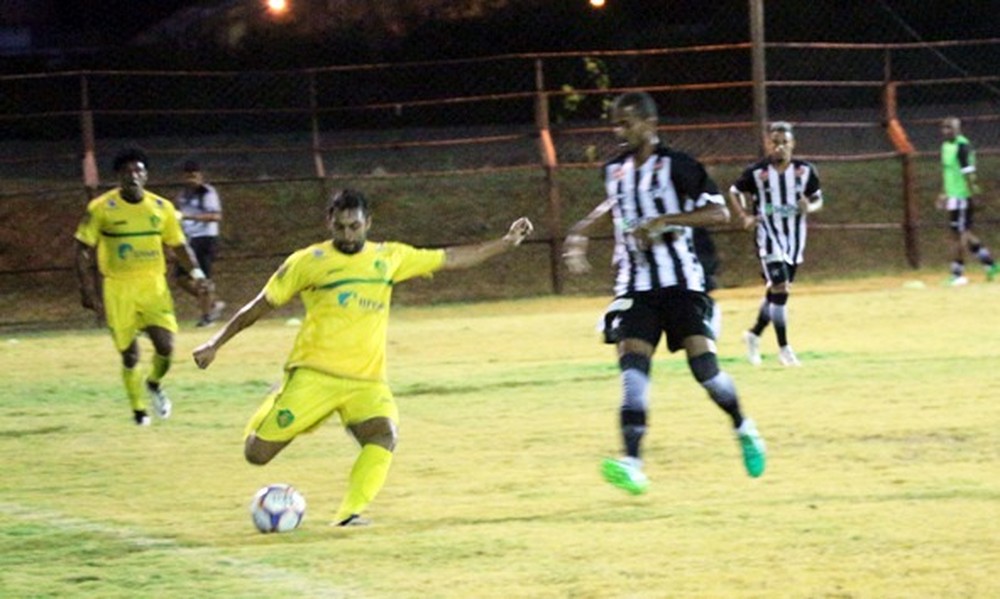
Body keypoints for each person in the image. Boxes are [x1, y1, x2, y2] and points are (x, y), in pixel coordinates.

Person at [192, 189, 533, 526]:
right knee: (257, 455)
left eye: (354, 227)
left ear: (368, 223)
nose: (347, 234)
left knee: (384, 435)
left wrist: (506, 241)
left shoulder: (389, 257)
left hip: (366, 381)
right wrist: (215, 343)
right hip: (315, 375)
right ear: (330, 223)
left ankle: (348, 514)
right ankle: (274, 399)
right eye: (340, 227)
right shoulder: (307, 261)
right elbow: (260, 305)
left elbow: (452, 258)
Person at [562, 91, 766, 495]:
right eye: (615, 124)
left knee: (704, 372)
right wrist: (581, 231)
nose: (619, 131)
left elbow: (718, 211)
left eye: (626, 124)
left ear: (650, 125)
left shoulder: (680, 167)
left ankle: (744, 428)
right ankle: (633, 464)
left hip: (683, 285)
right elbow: (614, 205)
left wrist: (666, 221)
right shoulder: (614, 169)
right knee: (633, 374)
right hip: (635, 288)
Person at [75, 147, 211, 426]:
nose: (133, 176)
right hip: (118, 288)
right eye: (127, 172)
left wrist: (197, 273)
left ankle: (153, 383)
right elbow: (82, 249)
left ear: (146, 175)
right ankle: (138, 411)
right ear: (118, 177)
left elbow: (179, 245)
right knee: (130, 353)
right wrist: (86, 289)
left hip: (153, 286)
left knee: (166, 346)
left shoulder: (161, 209)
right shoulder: (101, 208)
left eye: (138, 171)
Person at [728, 121, 823, 367]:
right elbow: (734, 191)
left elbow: (817, 199)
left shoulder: (805, 170)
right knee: (780, 288)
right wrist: (745, 216)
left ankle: (753, 335)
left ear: (793, 144)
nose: (779, 148)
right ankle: (784, 349)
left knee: (776, 293)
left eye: (784, 143)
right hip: (768, 236)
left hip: (794, 240)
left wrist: (809, 207)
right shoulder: (757, 172)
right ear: (768, 144)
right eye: (775, 143)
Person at [937, 116, 997, 286]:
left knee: (958, 236)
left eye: (950, 128)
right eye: (944, 128)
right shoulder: (945, 146)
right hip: (953, 196)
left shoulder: (962, 146)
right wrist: (943, 193)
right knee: (964, 233)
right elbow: (947, 172)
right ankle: (990, 264)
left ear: (958, 129)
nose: (946, 131)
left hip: (963, 196)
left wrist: (973, 196)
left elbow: (968, 174)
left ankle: (958, 274)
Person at [174, 160, 226, 326]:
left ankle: (207, 317)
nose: (191, 179)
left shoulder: (207, 193)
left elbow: (216, 216)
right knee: (181, 278)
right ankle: (212, 303)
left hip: (205, 238)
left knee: (202, 277)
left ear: (200, 176)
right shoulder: (182, 195)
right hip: (189, 240)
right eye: (188, 175)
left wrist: (189, 217)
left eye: (194, 175)